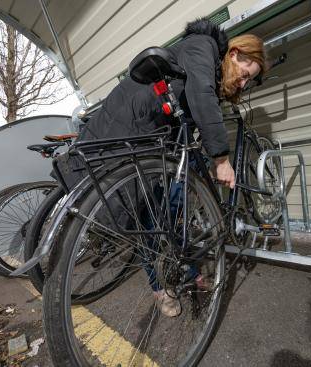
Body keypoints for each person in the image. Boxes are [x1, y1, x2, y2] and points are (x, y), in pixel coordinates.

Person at [78, 18, 266, 316]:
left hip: (156, 136)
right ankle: (161, 290)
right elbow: (200, 94)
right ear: (233, 54)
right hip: (137, 131)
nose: (242, 83)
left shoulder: (209, 65)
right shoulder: (202, 46)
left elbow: (187, 109)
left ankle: (191, 274)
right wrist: (221, 159)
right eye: (244, 74)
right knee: (149, 216)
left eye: (247, 82)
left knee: (172, 210)